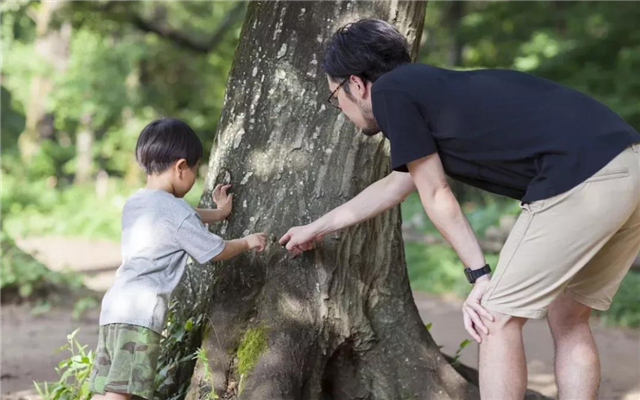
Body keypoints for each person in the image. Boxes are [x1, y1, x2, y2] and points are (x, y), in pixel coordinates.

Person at [279, 19, 640, 399]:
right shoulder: (431, 90)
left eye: (334, 96)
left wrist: (480, 276)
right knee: (568, 317)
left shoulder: (389, 93)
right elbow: (399, 185)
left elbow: (436, 194)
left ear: (356, 83)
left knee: (494, 319)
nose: (340, 108)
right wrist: (316, 227)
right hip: (629, 163)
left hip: (581, 176)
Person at [89, 118, 266, 400]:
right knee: (121, 395)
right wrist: (246, 241)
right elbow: (215, 250)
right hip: (140, 315)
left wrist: (219, 213)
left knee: (111, 389)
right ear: (181, 167)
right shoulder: (176, 213)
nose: (194, 175)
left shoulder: (138, 201)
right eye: (195, 168)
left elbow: (184, 215)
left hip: (115, 308)